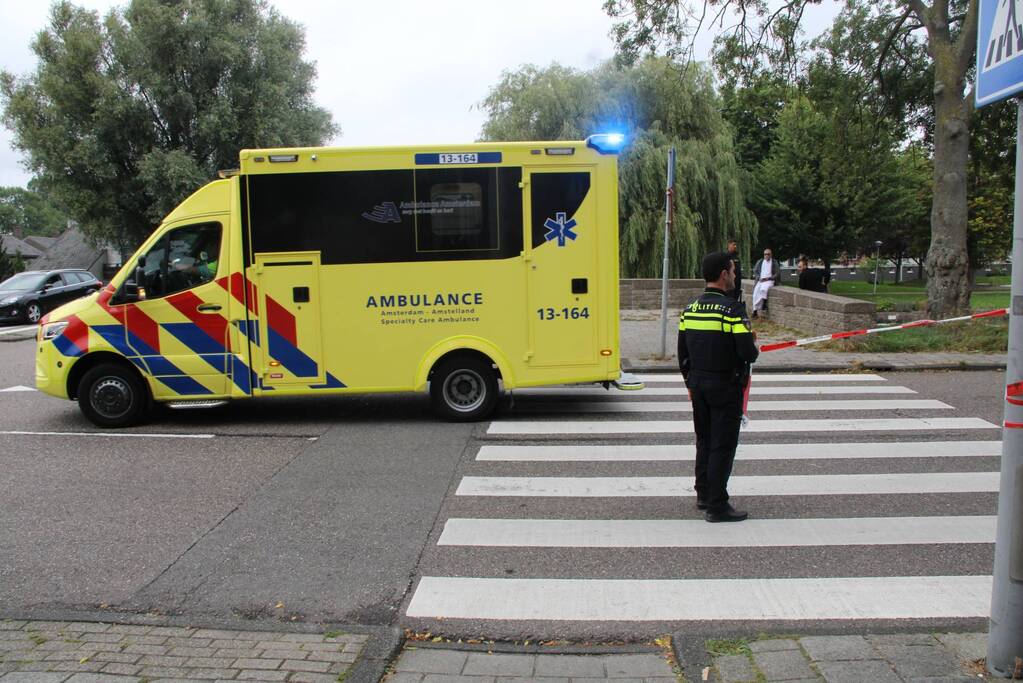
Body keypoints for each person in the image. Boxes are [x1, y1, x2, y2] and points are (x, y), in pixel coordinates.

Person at [677, 252, 759, 523]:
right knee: (722, 445)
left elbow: (682, 353)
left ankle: (703, 494)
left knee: (704, 440)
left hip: (698, 384)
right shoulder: (733, 311)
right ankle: (717, 505)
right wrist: (750, 339)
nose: (734, 276)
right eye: (733, 271)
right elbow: (748, 353)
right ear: (724, 274)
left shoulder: (689, 309)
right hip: (725, 385)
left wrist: (690, 382)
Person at [750, 248, 780, 318]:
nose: (766, 256)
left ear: (771, 255)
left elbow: (777, 273)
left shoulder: (774, 262)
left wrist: (769, 278)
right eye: (765, 254)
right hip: (760, 280)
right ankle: (755, 311)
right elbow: (755, 270)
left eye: (768, 254)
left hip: (769, 280)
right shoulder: (760, 262)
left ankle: (764, 303)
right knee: (755, 293)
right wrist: (758, 277)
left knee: (764, 289)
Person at [726, 238, 743, 303]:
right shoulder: (726, 256)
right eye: (734, 245)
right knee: (730, 299)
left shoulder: (736, 256)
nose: (735, 246)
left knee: (735, 299)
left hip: (738, 281)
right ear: (729, 245)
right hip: (731, 282)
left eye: (736, 245)